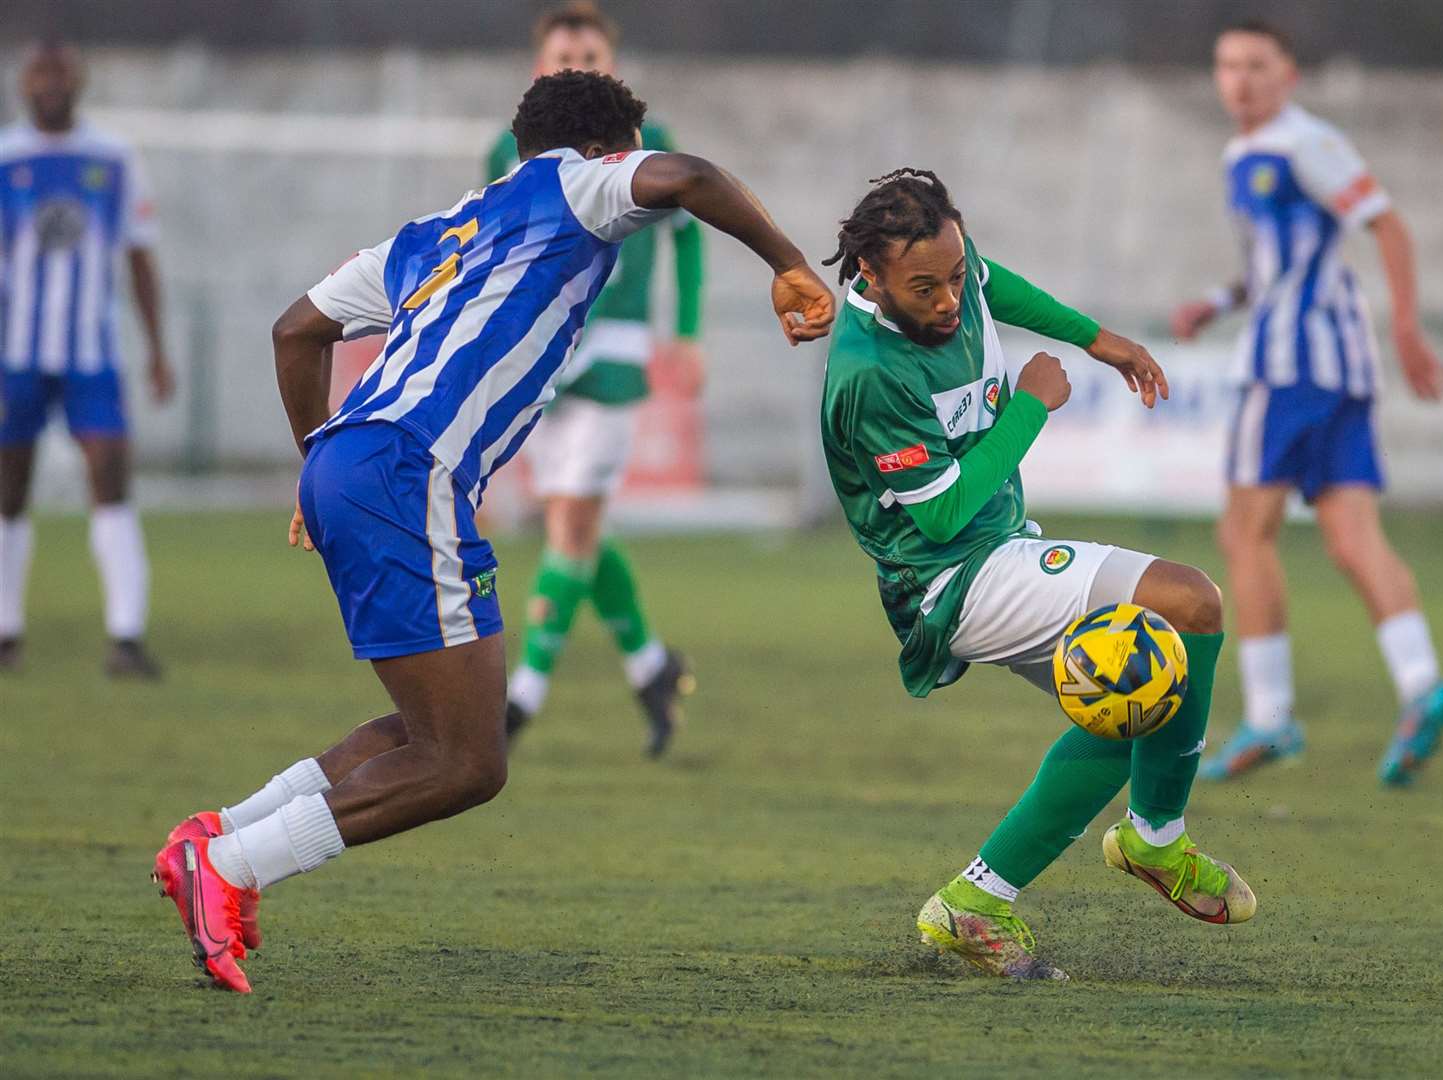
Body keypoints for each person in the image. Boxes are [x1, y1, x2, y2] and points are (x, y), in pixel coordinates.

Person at [152, 70, 834, 994]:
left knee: (433, 725)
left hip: (362, 462)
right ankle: (231, 870)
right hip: (407, 471)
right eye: (628, 152)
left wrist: (317, 463)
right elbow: (693, 178)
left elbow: (293, 332)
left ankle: (222, 835)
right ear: (610, 149)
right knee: (468, 762)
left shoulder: (426, 239)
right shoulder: (580, 183)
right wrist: (789, 264)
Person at [820, 169, 1254, 980]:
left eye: (953, 274)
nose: (949, 299)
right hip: (949, 579)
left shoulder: (951, 268)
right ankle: (1156, 840)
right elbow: (942, 518)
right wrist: (1031, 407)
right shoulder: (870, 372)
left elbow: (991, 286)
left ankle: (975, 902)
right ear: (871, 277)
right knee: (1191, 604)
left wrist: (1100, 340)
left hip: (999, 545)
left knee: (1135, 690)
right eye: (926, 288)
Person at [1170, 21, 1443, 785]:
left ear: (1287, 74)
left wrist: (1407, 326)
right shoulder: (1243, 154)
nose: (1240, 80)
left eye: (1256, 66)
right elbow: (1269, 266)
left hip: (1292, 367)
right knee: (1350, 537)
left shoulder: (1305, 142)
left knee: (1243, 532)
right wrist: (1217, 299)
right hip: (1337, 370)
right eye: (1228, 64)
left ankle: (1269, 718)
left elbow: (1388, 226)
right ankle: (1422, 685)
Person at [486, 4, 704, 756]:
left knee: (572, 527)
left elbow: (688, 238)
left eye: (588, 51)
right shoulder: (506, 154)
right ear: (538, 66)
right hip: (545, 357)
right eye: (562, 52)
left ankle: (519, 701)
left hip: (614, 354)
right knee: (573, 532)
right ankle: (652, 668)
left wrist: (689, 332)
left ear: (611, 62)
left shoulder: (651, 145)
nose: (574, 61)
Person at [0, 42, 174, 677]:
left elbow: (139, 256)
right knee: (9, 486)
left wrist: (158, 349)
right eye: (38, 74)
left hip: (91, 354)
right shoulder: (6, 157)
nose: (49, 85)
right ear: (24, 84)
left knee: (110, 477)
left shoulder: (113, 157)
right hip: (13, 353)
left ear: (78, 82)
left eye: (59, 74)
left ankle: (126, 638)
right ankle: (6, 631)